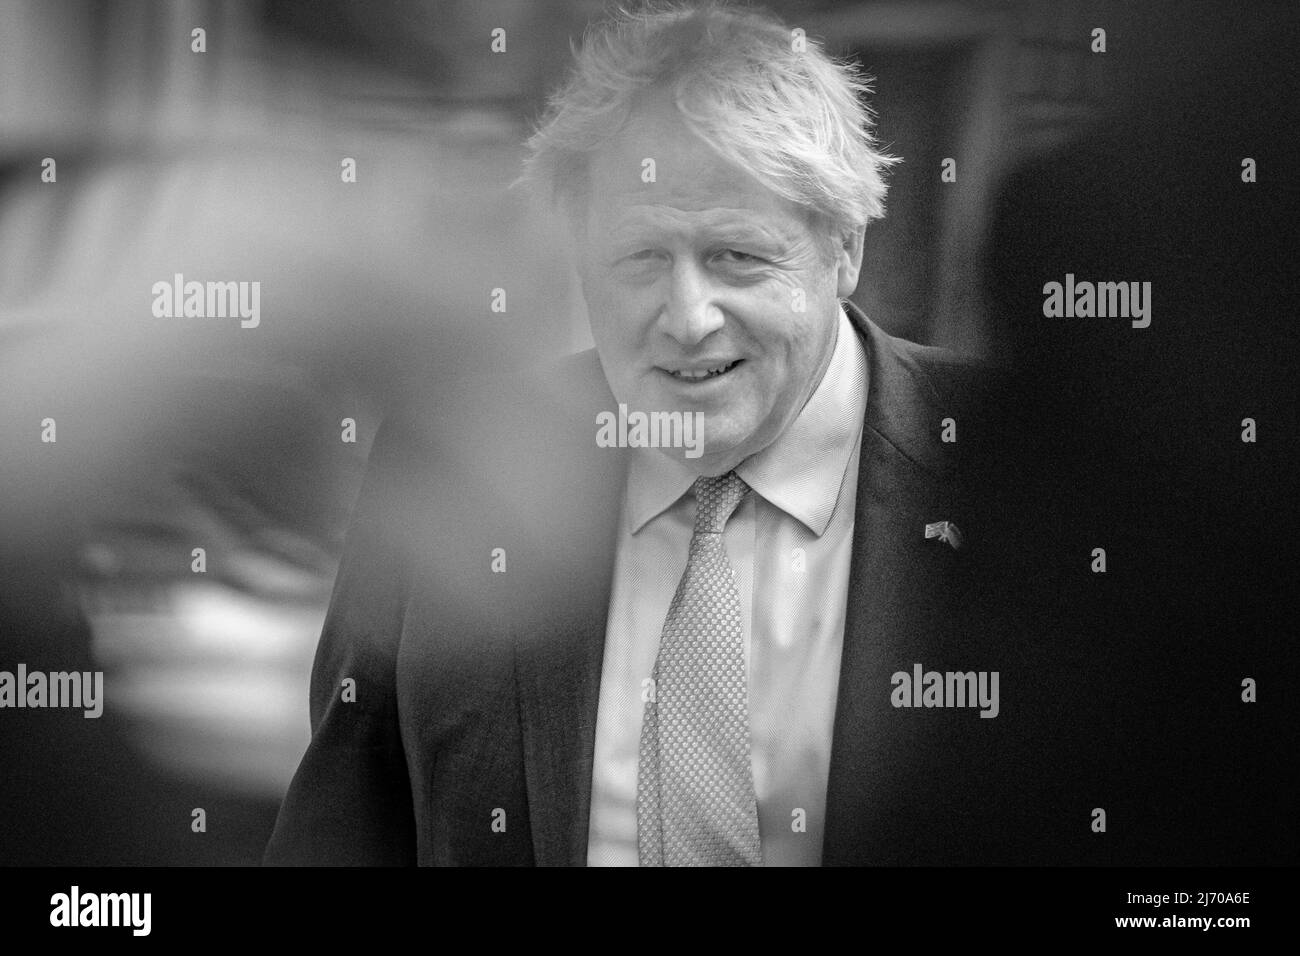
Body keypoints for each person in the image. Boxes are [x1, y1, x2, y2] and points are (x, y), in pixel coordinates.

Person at [265, 1, 1088, 867]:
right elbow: (343, 829)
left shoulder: (1034, 473)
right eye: (643, 259)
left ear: (845, 248)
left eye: (737, 257)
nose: (688, 319)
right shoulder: (454, 464)